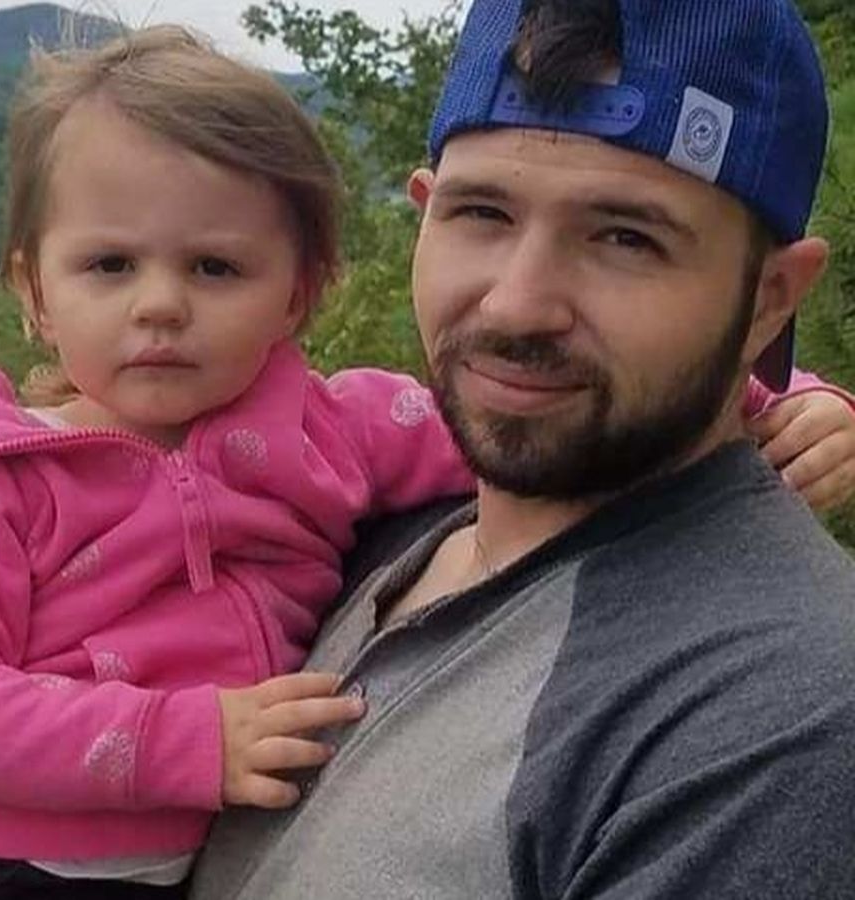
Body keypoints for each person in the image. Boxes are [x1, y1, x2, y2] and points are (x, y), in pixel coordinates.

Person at [191, 1, 855, 898]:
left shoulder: (776, 716)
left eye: (626, 238)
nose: (515, 305)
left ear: (770, 298)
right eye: (483, 213)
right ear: (424, 213)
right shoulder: (360, 527)